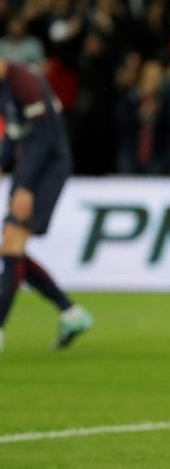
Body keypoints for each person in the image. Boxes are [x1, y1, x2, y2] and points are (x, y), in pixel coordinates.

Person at [0, 58, 93, 352]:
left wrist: (25, 186)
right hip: (31, 166)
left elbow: (45, 138)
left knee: (12, 244)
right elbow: (16, 135)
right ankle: (71, 313)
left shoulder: (24, 82)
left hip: (48, 168)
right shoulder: (5, 86)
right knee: (12, 251)